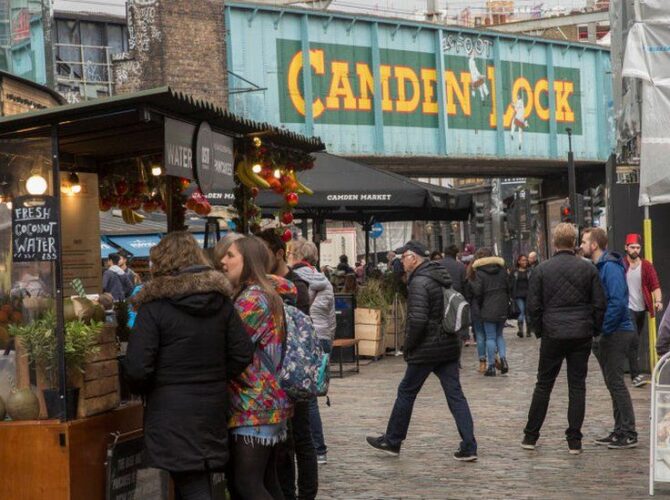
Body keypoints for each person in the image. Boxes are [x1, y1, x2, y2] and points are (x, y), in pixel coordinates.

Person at [122, 231, 253, 500]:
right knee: (195, 477)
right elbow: (242, 352)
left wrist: (155, 386)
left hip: (171, 408)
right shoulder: (221, 302)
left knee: (191, 482)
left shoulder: (154, 306)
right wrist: (215, 376)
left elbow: (137, 367)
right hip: (213, 404)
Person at [366, 240, 477, 462]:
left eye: (403, 257)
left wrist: (409, 347)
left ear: (414, 258)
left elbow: (417, 320)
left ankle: (393, 440)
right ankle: (469, 445)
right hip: (447, 346)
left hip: (427, 348)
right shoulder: (439, 276)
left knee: (406, 391)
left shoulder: (419, 282)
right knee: (455, 395)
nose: (402, 262)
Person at [521, 223, 606, 455]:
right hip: (580, 333)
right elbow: (600, 303)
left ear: (554, 242)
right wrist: (593, 328)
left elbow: (533, 306)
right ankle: (574, 440)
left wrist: (540, 330)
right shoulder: (588, 269)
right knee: (577, 386)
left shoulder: (542, 270)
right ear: (574, 242)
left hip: (553, 333)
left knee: (543, 384)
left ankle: (531, 435)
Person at [220, 236, 295, 499]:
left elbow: (229, 345)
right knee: (267, 482)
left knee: (247, 484)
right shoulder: (264, 293)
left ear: (248, 261)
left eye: (230, 255)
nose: (223, 261)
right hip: (266, 402)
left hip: (253, 404)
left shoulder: (252, 298)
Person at [257, 230, 317, 500]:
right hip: (276, 375)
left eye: (263, 253)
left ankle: (304, 494)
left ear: (279, 253)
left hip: (293, 372)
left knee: (300, 437)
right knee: (286, 441)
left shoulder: (295, 286)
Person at [581, 227, 638, 449]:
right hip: (610, 331)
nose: (582, 245)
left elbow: (617, 301)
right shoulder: (601, 267)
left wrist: (603, 329)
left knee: (615, 382)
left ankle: (629, 431)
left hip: (617, 332)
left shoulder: (610, 268)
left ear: (594, 245)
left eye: (585, 242)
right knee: (612, 383)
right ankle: (619, 430)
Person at [289, 239, 336, 467]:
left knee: (307, 400)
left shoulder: (292, 281)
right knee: (313, 395)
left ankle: (318, 448)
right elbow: (331, 317)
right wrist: (329, 343)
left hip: (305, 338)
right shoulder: (324, 281)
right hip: (324, 336)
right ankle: (318, 449)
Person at [623, 233, 663, 387]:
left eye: (638, 247)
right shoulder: (622, 265)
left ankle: (624, 363)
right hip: (627, 308)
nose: (635, 250)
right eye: (632, 247)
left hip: (641, 309)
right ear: (626, 247)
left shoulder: (646, 265)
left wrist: (658, 300)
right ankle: (635, 375)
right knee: (633, 339)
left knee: (634, 340)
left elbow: (655, 284)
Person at [471, 250, 510, 376]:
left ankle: (492, 366)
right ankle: (503, 360)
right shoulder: (502, 270)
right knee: (499, 335)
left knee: (490, 337)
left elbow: (478, 292)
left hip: (487, 307)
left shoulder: (480, 273)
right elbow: (509, 287)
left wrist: (481, 304)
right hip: (502, 306)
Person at [465, 248, 492, 374]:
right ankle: (494, 357)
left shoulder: (472, 272)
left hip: (476, 306)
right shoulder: (494, 270)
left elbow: (469, 292)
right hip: (491, 306)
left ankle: (482, 362)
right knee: (492, 335)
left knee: (480, 335)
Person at [439, 244, 469, 344]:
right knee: (457, 315)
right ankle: (461, 336)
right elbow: (464, 282)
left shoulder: (438, 265)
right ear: (455, 254)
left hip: (441, 294)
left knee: (443, 315)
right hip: (457, 294)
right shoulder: (460, 266)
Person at [510, 254, 532, 338]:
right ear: (518, 261)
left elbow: (534, 282)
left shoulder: (530, 271)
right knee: (521, 311)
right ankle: (520, 330)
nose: (524, 262)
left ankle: (529, 330)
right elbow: (510, 283)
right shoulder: (514, 272)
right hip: (518, 295)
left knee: (528, 312)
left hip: (529, 294)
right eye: (523, 260)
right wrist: (511, 294)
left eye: (526, 260)